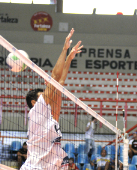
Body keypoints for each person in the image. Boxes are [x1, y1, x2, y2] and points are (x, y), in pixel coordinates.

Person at [21, 28, 83, 170]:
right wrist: (64, 49)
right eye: (42, 94)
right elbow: (55, 78)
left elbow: (59, 84)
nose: (46, 95)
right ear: (33, 102)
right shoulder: (36, 111)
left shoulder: (51, 118)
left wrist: (69, 59)